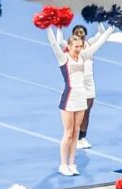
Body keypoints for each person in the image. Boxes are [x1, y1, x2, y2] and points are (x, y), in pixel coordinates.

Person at [46, 24, 107, 176]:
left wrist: (111, 29)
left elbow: (99, 44)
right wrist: (48, 27)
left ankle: (72, 163)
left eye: (80, 46)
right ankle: (63, 164)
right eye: (76, 47)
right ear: (69, 46)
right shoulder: (63, 58)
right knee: (67, 133)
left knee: (75, 133)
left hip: (81, 97)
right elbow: (54, 44)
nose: (79, 49)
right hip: (69, 98)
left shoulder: (83, 57)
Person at [58, 22, 116, 150]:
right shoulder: (71, 48)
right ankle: (75, 137)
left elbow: (101, 36)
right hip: (78, 85)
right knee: (79, 112)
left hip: (89, 82)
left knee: (88, 110)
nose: (80, 34)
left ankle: (83, 137)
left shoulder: (89, 44)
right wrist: (59, 27)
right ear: (73, 35)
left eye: (82, 32)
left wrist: (100, 21)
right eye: (77, 32)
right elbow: (58, 42)